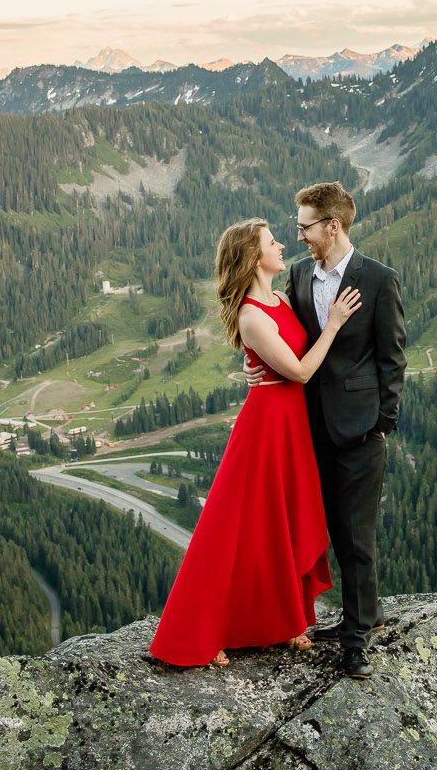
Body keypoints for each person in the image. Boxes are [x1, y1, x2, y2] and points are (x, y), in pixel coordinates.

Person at [147, 218, 363, 668]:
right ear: (253, 256)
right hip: (265, 429)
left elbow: (287, 356)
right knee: (237, 530)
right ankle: (209, 630)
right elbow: (300, 371)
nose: (282, 245)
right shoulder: (250, 314)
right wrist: (335, 324)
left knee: (276, 526)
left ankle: (281, 622)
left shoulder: (281, 299)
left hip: (290, 425)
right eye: (272, 241)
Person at [279, 181, 407, 680]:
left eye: (305, 227)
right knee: (326, 530)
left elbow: (392, 357)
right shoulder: (296, 275)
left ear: (333, 226)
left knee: (356, 539)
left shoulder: (378, 280)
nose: (299, 236)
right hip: (310, 428)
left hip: (360, 431)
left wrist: (382, 423)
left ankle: (355, 643)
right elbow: (289, 337)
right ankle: (364, 616)